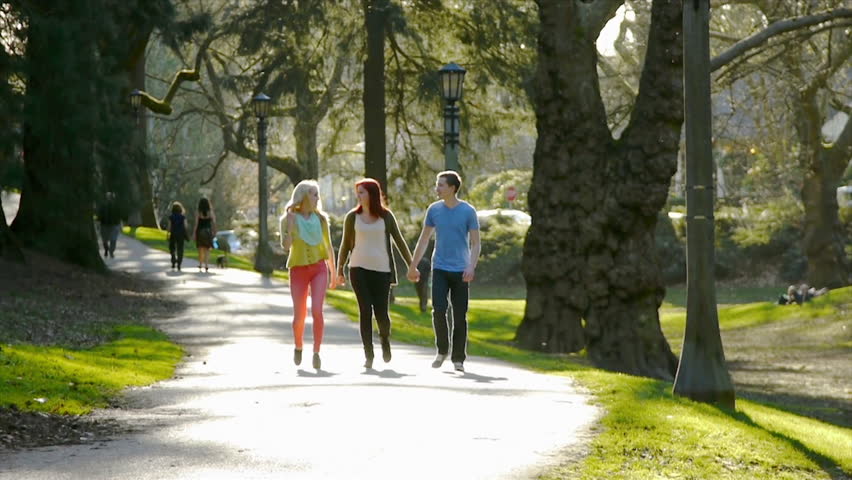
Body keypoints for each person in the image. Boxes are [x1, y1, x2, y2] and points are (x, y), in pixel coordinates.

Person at [336, 179, 414, 369]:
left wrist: (412, 265)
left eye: (362, 192)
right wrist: (340, 270)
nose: (359, 196)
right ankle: (368, 354)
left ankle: (384, 339)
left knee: (381, 314)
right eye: (358, 193)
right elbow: (345, 245)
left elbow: (399, 241)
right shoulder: (352, 217)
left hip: (382, 271)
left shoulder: (386, 216)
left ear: (372, 194)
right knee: (365, 311)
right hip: (358, 269)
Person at [407, 171, 480, 373]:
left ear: (452, 188)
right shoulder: (434, 210)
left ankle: (458, 359)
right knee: (438, 309)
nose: (437, 188)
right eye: (436, 184)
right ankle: (442, 350)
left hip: (461, 271)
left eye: (440, 185)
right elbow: (424, 240)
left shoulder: (468, 211)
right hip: (439, 267)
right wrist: (413, 265)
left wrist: (471, 266)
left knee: (459, 315)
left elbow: (476, 243)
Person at [280, 180, 338, 370]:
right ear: (303, 196)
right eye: (313, 194)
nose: (317, 198)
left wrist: (334, 273)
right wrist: (289, 228)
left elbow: (328, 247)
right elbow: (286, 246)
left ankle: (316, 352)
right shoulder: (288, 218)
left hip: (319, 269)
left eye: (317, 195)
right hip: (298, 270)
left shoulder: (321, 220)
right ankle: (298, 346)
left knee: (317, 311)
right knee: (299, 316)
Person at [193, 198, 216, 272]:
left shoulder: (198, 212)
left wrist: (194, 233)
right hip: (208, 232)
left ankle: (200, 264)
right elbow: (214, 222)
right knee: (207, 249)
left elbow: (196, 224)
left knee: (200, 249)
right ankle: (206, 265)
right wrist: (214, 231)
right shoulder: (210, 212)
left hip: (200, 232)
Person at [97, 192, 121, 259]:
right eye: (108, 196)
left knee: (113, 239)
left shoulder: (116, 205)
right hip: (105, 224)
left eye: (109, 197)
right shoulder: (102, 205)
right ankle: (107, 250)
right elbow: (99, 214)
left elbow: (119, 214)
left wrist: (119, 223)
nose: (109, 198)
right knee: (105, 240)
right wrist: (99, 222)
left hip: (114, 224)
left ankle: (111, 251)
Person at [166, 201, 189, 271]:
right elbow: (185, 226)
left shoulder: (171, 216)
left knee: (172, 248)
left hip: (173, 233)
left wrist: (167, 233)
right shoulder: (183, 217)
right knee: (180, 248)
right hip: (181, 234)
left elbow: (169, 226)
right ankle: (179, 262)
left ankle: (173, 260)